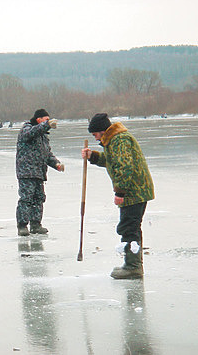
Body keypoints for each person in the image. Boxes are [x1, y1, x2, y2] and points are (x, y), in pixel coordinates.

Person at [81, 113, 154, 279]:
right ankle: (133, 264)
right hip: (136, 190)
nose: (95, 139)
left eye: (95, 135)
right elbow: (110, 160)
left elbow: (124, 166)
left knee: (129, 227)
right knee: (131, 226)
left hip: (134, 191)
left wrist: (120, 192)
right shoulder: (114, 140)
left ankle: (133, 266)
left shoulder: (119, 140)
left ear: (102, 131)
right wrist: (93, 156)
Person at [15, 109, 64, 236]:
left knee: (39, 199)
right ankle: (22, 225)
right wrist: (46, 125)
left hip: (39, 173)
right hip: (26, 172)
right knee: (26, 199)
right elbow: (31, 133)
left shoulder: (43, 137)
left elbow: (47, 154)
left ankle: (36, 224)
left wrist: (56, 164)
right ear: (39, 120)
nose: (48, 122)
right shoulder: (27, 129)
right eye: (46, 120)